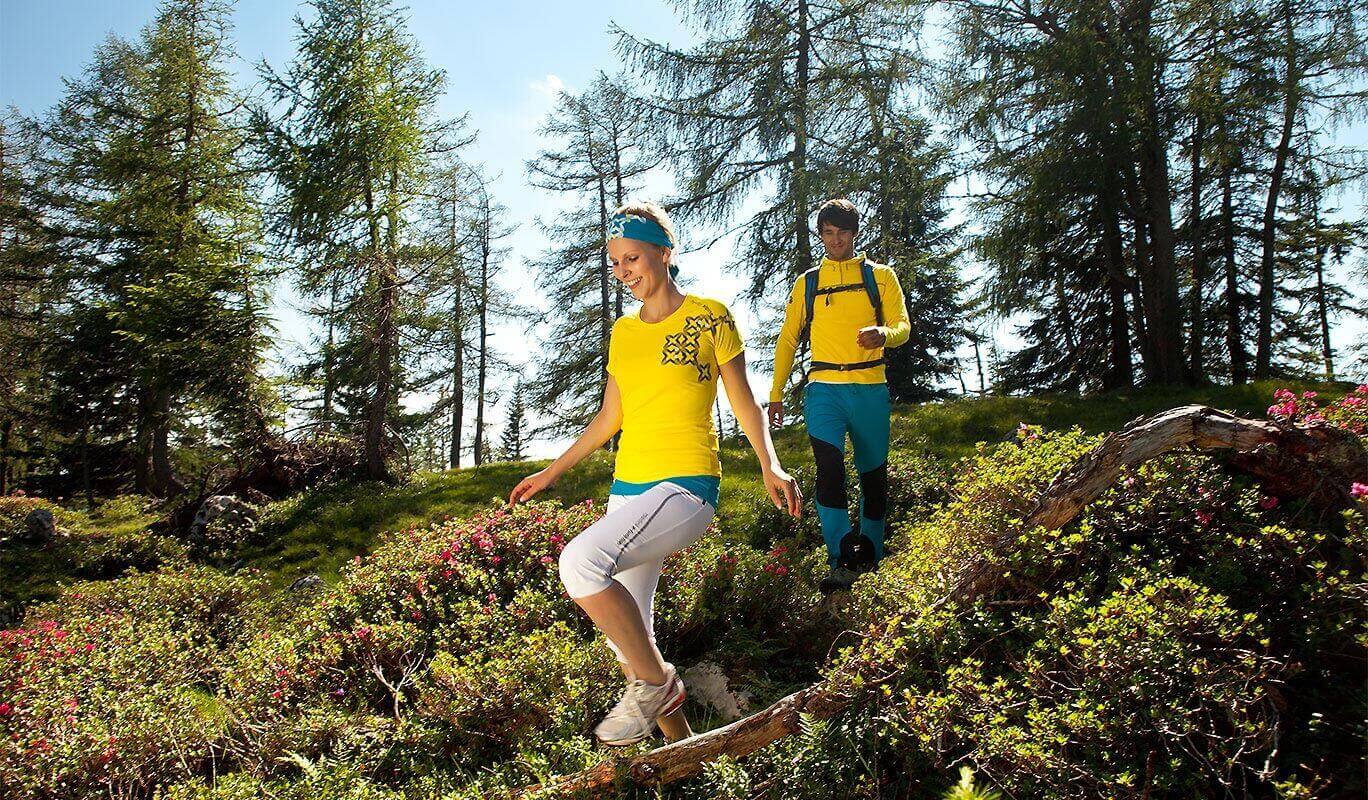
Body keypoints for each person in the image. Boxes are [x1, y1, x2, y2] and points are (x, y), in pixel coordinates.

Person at [510, 201, 802, 747]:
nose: (623, 271)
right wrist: (551, 471)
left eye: (633, 258)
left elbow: (744, 401)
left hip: (686, 487)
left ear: (664, 253)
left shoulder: (710, 316)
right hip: (628, 492)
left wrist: (770, 462)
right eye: (616, 262)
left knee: (578, 562)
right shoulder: (624, 333)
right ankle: (685, 752)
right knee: (631, 641)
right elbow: (609, 418)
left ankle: (658, 685)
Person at [766, 199, 910, 594]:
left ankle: (872, 557)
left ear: (854, 233)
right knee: (830, 469)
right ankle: (841, 556)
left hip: (870, 389)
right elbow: (788, 339)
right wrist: (776, 393)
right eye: (827, 233)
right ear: (821, 235)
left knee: (873, 477)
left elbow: (902, 326)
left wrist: (884, 334)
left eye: (842, 232)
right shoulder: (808, 282)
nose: (835, 240)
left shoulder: (881, 277)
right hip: (824, 390)